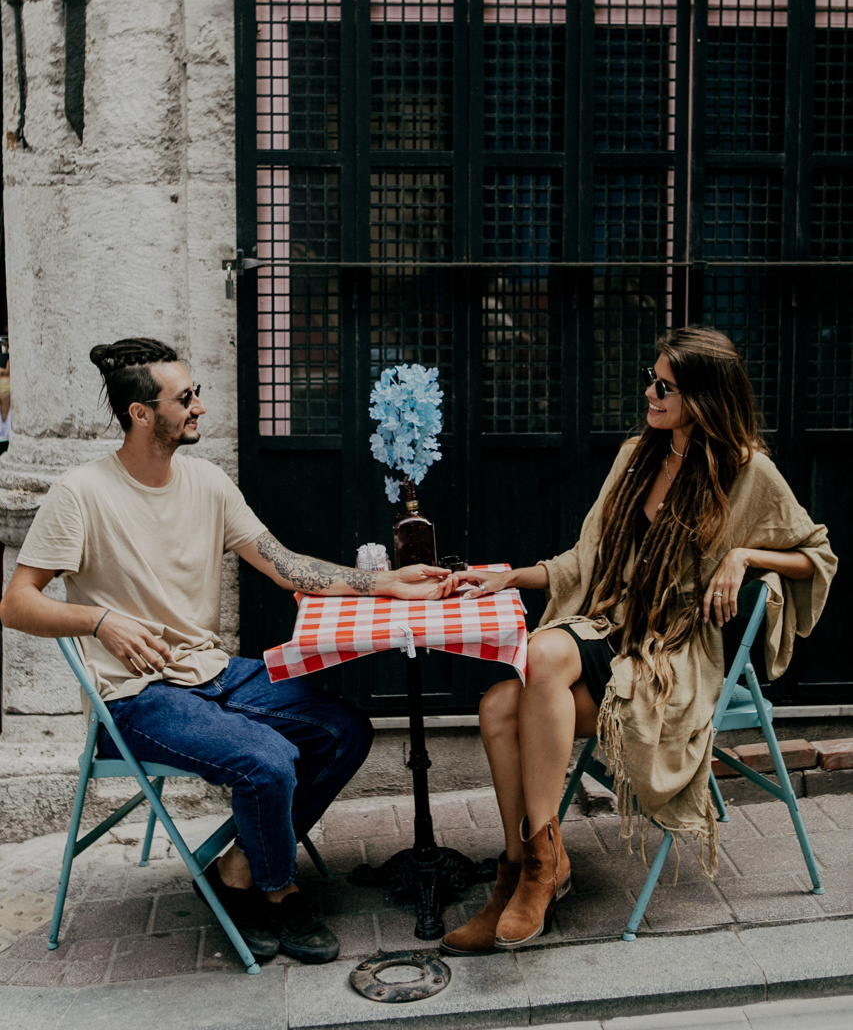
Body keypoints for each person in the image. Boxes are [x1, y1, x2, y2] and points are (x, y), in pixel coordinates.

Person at [0, 338, 455, 965]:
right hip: (137, 696)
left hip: (214, 674)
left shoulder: (208, 482)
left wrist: (385, 583)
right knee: (267, 761)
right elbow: (16, 603)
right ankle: (277, 890)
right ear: (140, 413)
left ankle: (239, 866)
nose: (200, 408)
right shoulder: (81, 493)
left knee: (346, 729)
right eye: (185, 398)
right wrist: (99, 620)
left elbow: (284, 565)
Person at [443, 325, 837, 956]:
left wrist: (743, 553)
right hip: (610, 623)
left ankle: (538, 871)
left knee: (515, 687)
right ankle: (525, 867)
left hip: (672, 649)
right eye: (650, 379)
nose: (649, 393)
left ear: (705, 398)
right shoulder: (637, 455)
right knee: (501, 699)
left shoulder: (747, 471)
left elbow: (817, 555)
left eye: (665, 386)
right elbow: (585, 559)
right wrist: (508, 576)